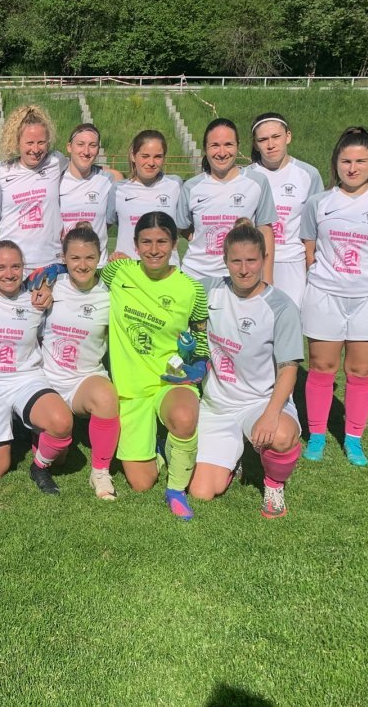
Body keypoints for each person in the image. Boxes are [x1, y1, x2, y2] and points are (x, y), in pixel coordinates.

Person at [300, 127, 368, 467]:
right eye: (345, 160)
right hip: (325, 295)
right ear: (336, 163)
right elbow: (309, 248)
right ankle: (316, 436)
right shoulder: (319, 203)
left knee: (361, 371)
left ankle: (353, 439)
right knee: (321, 367)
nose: (352, 167)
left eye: (361, 160)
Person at [189, 219, 303, 518]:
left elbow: (289, 368)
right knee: (201, 493)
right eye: (235, 261)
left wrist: (270, 413)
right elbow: (164, 291)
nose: (243, 269)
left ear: (264, 259)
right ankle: (235, 458)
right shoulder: (207, 290)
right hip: (217, 406)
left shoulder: (281, 306)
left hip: (259, 403)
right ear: (224, 261)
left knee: (279, 436)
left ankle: (274, 484)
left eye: (251, 260)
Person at [100, 211, 209, 520]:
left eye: (162, 241)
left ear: (175, 243)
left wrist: (198, 366)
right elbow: (84, 275)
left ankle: (176, 490)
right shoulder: (119, 272)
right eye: (146, 242)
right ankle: (163, 446)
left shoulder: (192, 289)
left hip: (169, 379)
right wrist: (55, 271)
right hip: (130, 390)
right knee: (140, 482)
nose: (154, 249)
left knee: (184, 416)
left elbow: (201, 336)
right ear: (135, 245)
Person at [0, 240, 74, 491]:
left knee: (61, 427)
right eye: (1, 267)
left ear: (24, 268)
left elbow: (68, 266)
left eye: (16, 266)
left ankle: (39, 464)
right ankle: (26, 430)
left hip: (26, 380)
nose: (9, 273)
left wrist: (48, 283)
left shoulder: (36, 298)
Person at [39, 225, 120, 499]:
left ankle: (100, 471)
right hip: (46, 381)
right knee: (59, 460)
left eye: (89, 258)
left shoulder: (111, 294)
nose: (82, 265)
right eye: (75, 258)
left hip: (83, 380)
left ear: (100, 258)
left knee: (107, 397)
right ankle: (42, 436)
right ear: (64, 258)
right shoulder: (50, 286)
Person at [177, 118, 277, 282]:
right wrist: (199, 239)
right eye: (215, 145)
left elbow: (266, 231)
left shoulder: (257, 182)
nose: (222, 153)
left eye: (228, 145)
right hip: (195, 276)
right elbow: (182, 226)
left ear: (238, 146)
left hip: (240, 277)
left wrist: (267, 280)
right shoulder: (191, 186)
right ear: (205, 148)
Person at [243, 113, 324, 308]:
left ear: (288, 136)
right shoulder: (247, 176)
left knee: (290, 324)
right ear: (255, 144)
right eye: (263, 139)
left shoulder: (308, 174)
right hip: (254, 263)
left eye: (276, 137)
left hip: (292, 263)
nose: (270, 145)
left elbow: (315, 227)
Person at [0, 105, 66, 271]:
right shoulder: (0, 170)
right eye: (29, 143)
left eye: (41, 142)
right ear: (17, 142)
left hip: (51, 262)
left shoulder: (56, 161)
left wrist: (114, 175)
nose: (35, 149)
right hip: (13, 266)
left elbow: (83, 171)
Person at [104, 130, 183, 262]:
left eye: (158, 156)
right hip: (128, 271)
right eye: (145, 156)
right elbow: (103, 227)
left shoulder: (175, 185)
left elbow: (185, 224)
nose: (151, 162)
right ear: (133, 156)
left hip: (166, 271)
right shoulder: (118, 189)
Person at [59, 124, 122, 267]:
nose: (86, 151)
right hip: (62, 265)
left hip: (97, 266)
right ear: (69, 147)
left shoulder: (110, 179)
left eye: (92, 145)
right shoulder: (55, 179)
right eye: (80, 144)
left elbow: (110, 220)